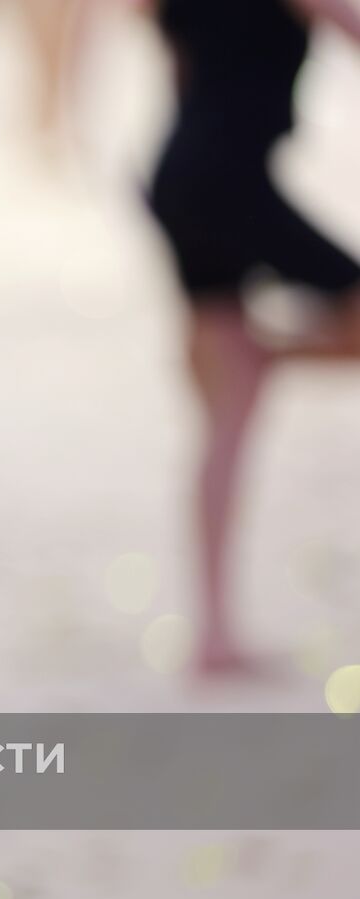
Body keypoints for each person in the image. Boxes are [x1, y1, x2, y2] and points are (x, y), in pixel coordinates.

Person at [143, 0, 360, 676]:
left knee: (225, 422)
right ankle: (268, 354)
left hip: (179, 179)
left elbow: (180, 70)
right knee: (234, 402)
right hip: (231, 181)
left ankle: (214, 633)